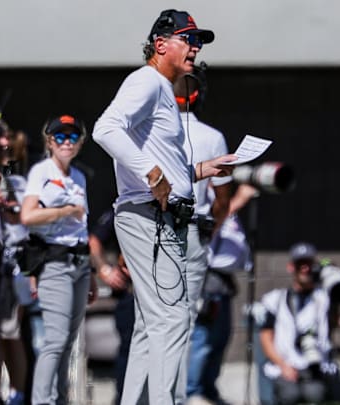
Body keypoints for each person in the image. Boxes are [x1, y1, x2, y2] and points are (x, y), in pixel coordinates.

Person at [92, 9, 235, 404]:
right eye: (188, 39)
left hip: (155, 216)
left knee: (150, 324)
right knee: (172, 319)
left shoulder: (161, 90)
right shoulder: (148, 81)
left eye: (198, 42)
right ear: (160, 45)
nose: (195, 48)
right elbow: (105, 129)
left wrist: (202, 169)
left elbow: (163, 163)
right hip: (149, 216)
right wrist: (151, 173)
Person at [21, 115, 97, 405]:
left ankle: (60, 399)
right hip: (54, 263)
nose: (67, 142)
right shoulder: (42, 171)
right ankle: (41, 401)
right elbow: (28, 216)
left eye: (73, 137)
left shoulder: (77, 176)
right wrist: (64, 210)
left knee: (67, 341)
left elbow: (83, 228)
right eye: (60, 137)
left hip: (78, 263)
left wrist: (91, 271)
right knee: (54, 340)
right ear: (50, 141)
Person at [172, 64, 232, 405]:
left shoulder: (149, 131)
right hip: (193, 231)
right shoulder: (212, 137)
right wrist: (212, 230)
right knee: (184, 322)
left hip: (154, 232)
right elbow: (221, 199)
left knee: (153, 325)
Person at [185, 185, 255, 405]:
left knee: (220, 339)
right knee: (202, 339)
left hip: (224, 283)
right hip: (207, 280)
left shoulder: (224, 204)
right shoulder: (204, 200)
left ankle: (208, 389)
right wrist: (239, 200)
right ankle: (191, 391)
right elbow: (209, 228)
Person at [256, 242, 340, 405]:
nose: (305, 269)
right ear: (291, 267)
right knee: (290, 395)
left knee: (315, 394)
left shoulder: (324, 298)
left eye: (309, 265)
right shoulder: (275, 299)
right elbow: (266, 337)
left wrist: (330, 275)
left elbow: (335, 320)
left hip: (316, 366)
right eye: (300, 265)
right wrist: (283, 366)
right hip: (286, 365)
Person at [88, 210, 133, 405]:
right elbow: (94, 241)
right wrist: (105, 270)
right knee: (130, 350)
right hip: (130, 293)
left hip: (160, 294)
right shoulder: (121, 211)